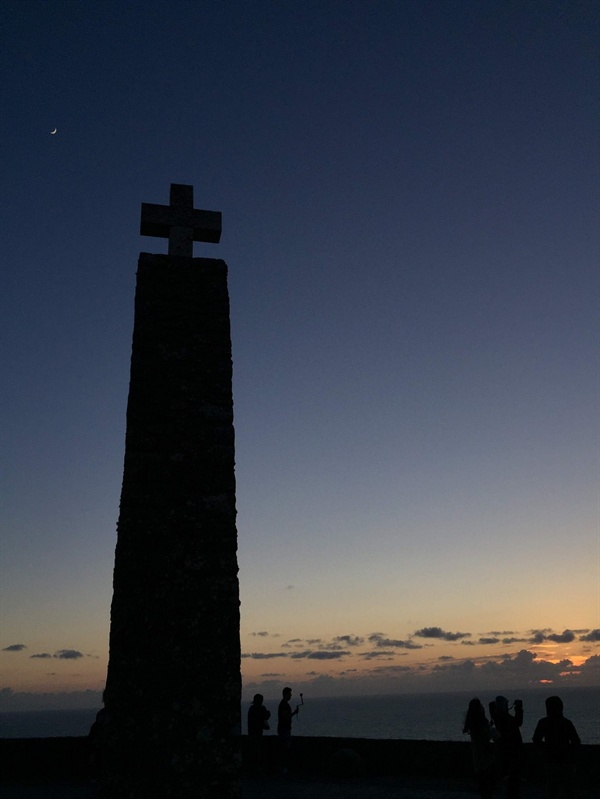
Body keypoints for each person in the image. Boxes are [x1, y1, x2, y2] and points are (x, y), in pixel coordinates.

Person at [532, 695, 581, 798]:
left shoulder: (544, 722)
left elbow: (536, 739)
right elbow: (576, 742)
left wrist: (547, 749)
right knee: (568, 790)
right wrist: (568, 752)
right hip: (565, 761)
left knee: (552, 789)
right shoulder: (567, 723)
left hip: (552, 761)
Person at [489, 695, 523, 798]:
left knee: (507, 776)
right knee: (513, 778)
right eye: (506, 704)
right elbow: (519, 722)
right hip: (511, 750)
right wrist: (518, 708)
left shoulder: (497, 716)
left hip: (503, 749)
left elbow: (491, 706)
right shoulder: (504, 717)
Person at [463, 698, 496, 799]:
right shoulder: (480, 723)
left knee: (484, 790)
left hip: (478, 759)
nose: (483, 708)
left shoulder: (474, 724)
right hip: (485, 760)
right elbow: (487, 736)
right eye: (481, 706)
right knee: (487, 789)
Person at [277, 686, 299, 773]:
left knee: (284, 748)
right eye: (289, 694)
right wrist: (294, 713)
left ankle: (282, 767)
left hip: (283, 729)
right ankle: (282, 767)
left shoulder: (283, 704)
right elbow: (286, 717)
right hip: (284, 729)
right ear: (285, 694)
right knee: (284, 749)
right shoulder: (284, 705)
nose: (290, 696)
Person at [247, 693, 271, 772]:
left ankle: (253, 768)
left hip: (251, 733)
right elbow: (266, 716)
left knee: (253, 751)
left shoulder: (251, 708)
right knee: (258, 751)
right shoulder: (261, 708)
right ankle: (257, 768)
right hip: (258, 733)